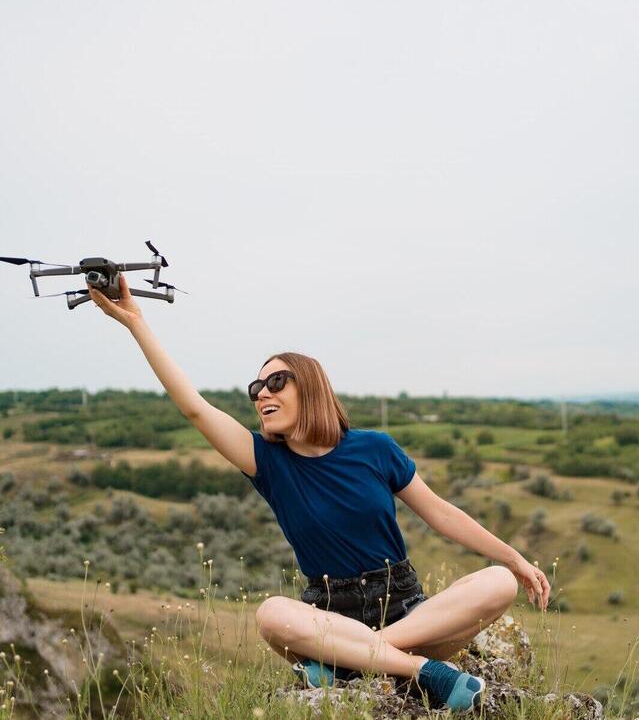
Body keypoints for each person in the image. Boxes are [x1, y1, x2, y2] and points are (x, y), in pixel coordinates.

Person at [89, 276, 552, 713]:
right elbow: (193, 406)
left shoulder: (375, 448)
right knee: (271, 615)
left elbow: (441, 514)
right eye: (256, 387)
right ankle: (417, 670)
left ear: (309, 387)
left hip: (409, 609)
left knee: (498, 583)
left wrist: (514, 559)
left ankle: (352, 663)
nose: (261, 393)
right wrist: (136, 322)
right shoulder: (265, 461)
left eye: (276, 382)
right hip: (328, 617)